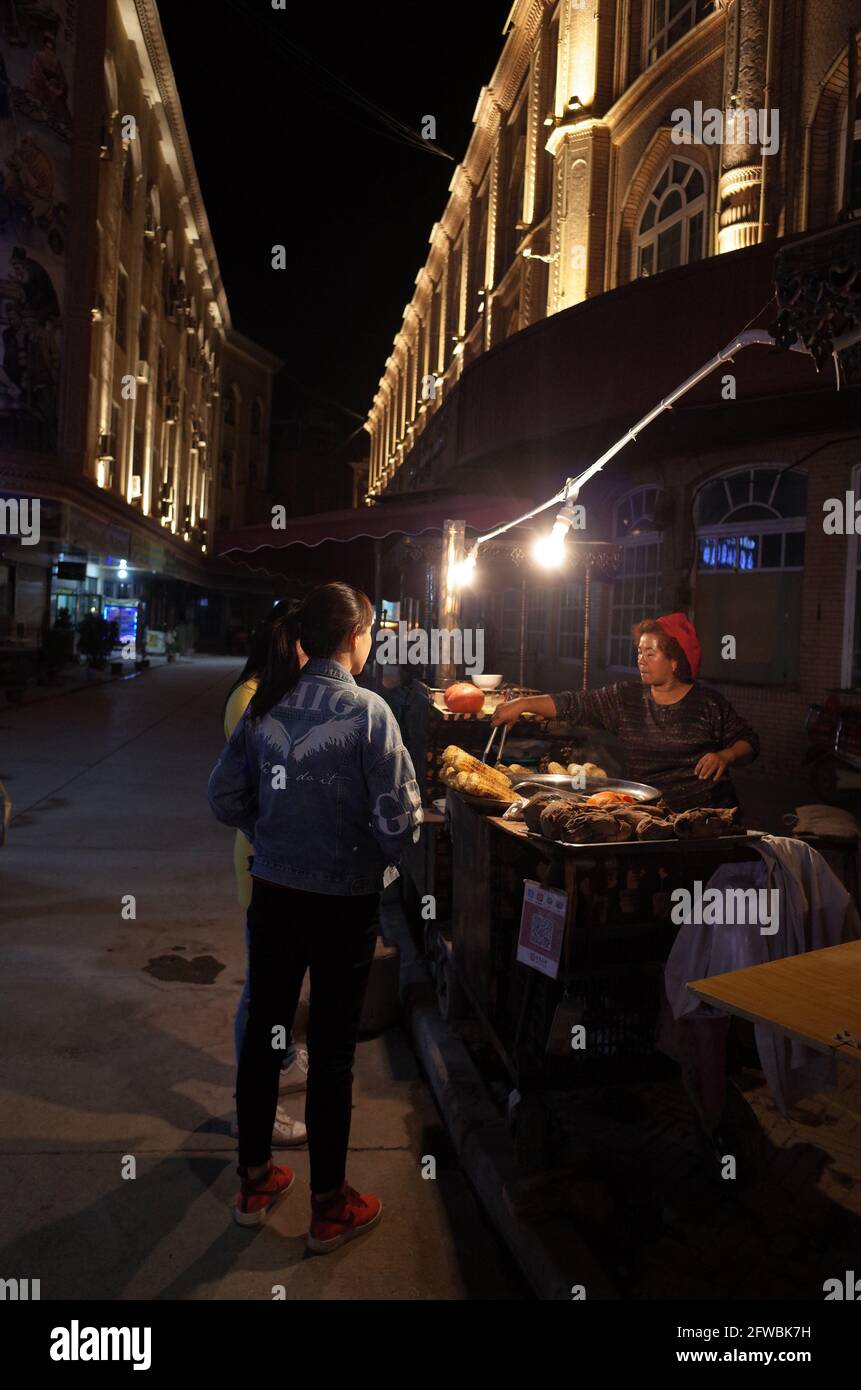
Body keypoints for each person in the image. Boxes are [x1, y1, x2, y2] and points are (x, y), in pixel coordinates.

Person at [208, 582, 423, 1250]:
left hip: (272, 893)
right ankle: (329, 1206)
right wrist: (374, 856)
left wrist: (275, 837)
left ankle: (254, 1181)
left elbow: (223, 797)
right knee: (331, 1054)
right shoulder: (367, 712)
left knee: (264, 1037)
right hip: (342, 905)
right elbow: (401, 823)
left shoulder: (267, 706)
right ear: (355, 634)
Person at [492, 612, 758, 811]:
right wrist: (522, 704)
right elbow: (575, 703)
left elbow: (749, 741)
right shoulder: (625, 698)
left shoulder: (708, 703)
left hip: (707, 816)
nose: (640, 660)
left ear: (675, 662)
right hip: (650, 814)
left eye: (650, 654)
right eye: (639, 652)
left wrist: (725, 755)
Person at [223, 600, 309, 1149]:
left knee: (274, 985)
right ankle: (252, 1109)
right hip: (261, 859)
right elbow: (271, 781)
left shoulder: (274, 694)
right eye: (306, 645)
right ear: (286, 646)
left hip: (281, 859)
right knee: (260, 993)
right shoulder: (250, 700)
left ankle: (275, 1062)